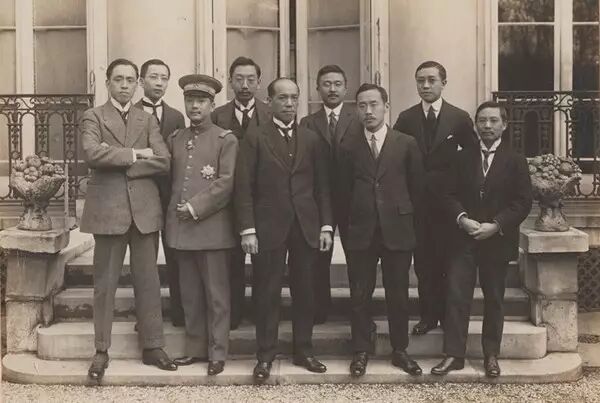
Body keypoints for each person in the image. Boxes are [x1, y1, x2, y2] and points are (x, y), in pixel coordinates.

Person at [80, 58, 177, 381]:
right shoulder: (93, 116)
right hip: (108, 212)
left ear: (138, 84)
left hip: (145, 212)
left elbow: (164, 161)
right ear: (107, 82)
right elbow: (92, 154)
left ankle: (153, 346)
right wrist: (137, 154)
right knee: (104, 284)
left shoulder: (146, 120)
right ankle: (101, 349)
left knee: (149, 282)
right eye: (118, 79)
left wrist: (119, 161)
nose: (124, 85)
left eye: (130, 80)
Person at [235, 78, 333, 383]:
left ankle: (304, 350)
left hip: (306, 226)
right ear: (270, 101)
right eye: (282, 98)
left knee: (306, 291)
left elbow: (323, 187)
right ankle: (265, 355)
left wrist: (326, 226)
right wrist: (248, 229)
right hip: (268, 228)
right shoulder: (255, 137)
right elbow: (243, 187)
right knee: (267, 292)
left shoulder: (312, 139)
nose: (289, 103)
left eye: (294, 98)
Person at [431, 101, 532, 378]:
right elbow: (447, 195)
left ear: (504, 125)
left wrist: (496, 225)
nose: (487, 126)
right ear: (475, 125)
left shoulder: (516, 160)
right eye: (482, 121)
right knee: (456, 296)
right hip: (462, 240)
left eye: (493, 121)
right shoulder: (462, 158)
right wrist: (462, 218)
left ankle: (491, 355)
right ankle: (454, 355)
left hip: (496, 241)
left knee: (494, 299)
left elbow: (522, 202)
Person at [338, 83, 425, 378]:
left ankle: (400, 349)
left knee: (398, 293)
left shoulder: (406, 143)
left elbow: (417, 189)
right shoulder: (348, 146)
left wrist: (409, 225)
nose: (368, 111)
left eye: (374, 104)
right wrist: (348, 229)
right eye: (361, 106)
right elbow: (341, 193)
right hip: (360, 232)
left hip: (397, 230)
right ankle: (361, 350)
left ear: (386, 106)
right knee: (359, 294)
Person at [393, 61, 477, 335]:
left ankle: (449, 317)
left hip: (450, 204)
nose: (425, 85)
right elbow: (395, 157)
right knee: (424, 262)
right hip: (417, 203)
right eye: (420, 80)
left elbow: (472, 159)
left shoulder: (459, 118)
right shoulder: (406, 118)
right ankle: (428, 316)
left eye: (431, 80)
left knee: (448, 261)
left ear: (444, 83)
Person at [166, 74, 238, 376]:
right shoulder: (176, 138)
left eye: (201, 101)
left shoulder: (225, 139)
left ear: (212, 104)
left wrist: (195, 207)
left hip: (211, 230)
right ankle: (195, 349)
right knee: (190, 294)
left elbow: (226, 183)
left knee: (216, 296)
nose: (195, 106)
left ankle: (218, 352)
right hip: (182, 232)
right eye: (190, 100)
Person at [212, 56, 271, 330]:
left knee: (264, 262)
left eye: (250, 79)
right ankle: (233, 315)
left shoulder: (270, 114)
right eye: (239, 79)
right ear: (230, 82)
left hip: (264, 200)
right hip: (227, 201)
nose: (245, 85)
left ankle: (261, 315)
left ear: (259, 82)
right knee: (231, 260)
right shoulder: (217, 116)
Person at [299, 64, 358, 324]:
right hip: (317, 201)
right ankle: (319, 309)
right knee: (318, 256)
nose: (332, 89)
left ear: (346, 88)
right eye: (326, 84)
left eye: (337, 84)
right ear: (317, 88)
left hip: (352, 200)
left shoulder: (358, 119)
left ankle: (358, 311)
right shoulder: (307, 123)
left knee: (357, 255)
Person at [134, 58, 186, 327]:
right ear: (141, 81)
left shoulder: (176, 117)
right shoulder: (130, 113)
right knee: (145, 259)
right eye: (153, 77)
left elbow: (179, 158)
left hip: (170, 195)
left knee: (175, 253)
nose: (159, 82)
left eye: (164, 78)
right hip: (140, 194)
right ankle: (145, 317)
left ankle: (180, 312)